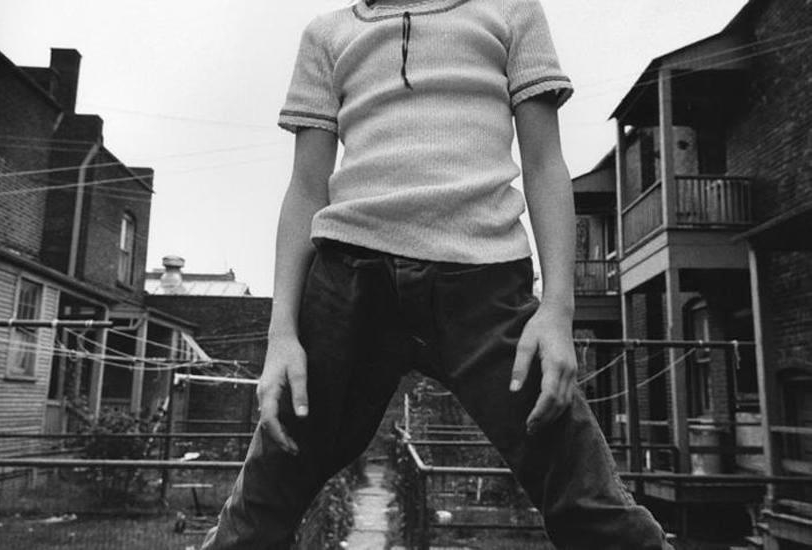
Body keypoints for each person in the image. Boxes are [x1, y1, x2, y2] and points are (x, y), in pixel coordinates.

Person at [203, 0, 672, 548]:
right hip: (349, 281)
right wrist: (281, 333)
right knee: (261, 505)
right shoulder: (327, 34)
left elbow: (545, 163)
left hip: (482, 282)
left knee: (588, 501)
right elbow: (307, 187)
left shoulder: (510, 12)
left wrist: (558, 311)